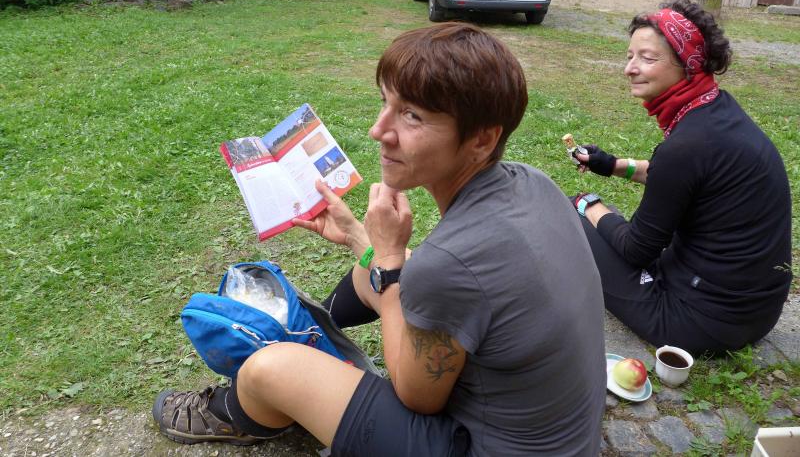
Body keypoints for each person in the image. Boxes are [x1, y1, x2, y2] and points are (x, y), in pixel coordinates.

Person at [152, 23, 607, 456]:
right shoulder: (531, 181)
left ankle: (235, 412)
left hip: (480, 445)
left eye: (411, 115)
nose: (378, 130)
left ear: (482, 141)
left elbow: (416, 396)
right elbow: (459, 284)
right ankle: (314, 335)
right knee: (370, 271)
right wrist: (360, 237)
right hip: (558, 435)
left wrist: (389, 261)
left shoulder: (449, 264)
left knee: (272, 365)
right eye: (386, 102)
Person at [571, 0, 792, 355]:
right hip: (755, 314)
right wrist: (611, 165)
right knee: (605, 223)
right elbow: (682, 179)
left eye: (647, 58)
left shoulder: (687, 146)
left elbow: (636, 250)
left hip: (697, 324)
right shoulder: (717, 112)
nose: (629, 68)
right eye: (629, 56)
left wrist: (587, 203)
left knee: (573, 216)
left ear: (687, 63)